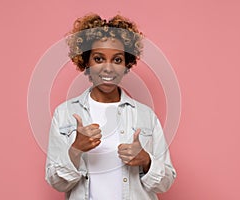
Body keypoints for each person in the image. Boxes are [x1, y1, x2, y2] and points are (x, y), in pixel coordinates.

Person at [45, 13, 176, 200]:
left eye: (117, 60)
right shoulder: (65, 114)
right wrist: (75, 150)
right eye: (98, 59)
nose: (108, 68)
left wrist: (146, 161)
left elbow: (166, 181)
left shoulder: (145, 115)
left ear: (126, 64)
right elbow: (56, 182)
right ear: (86, 62)